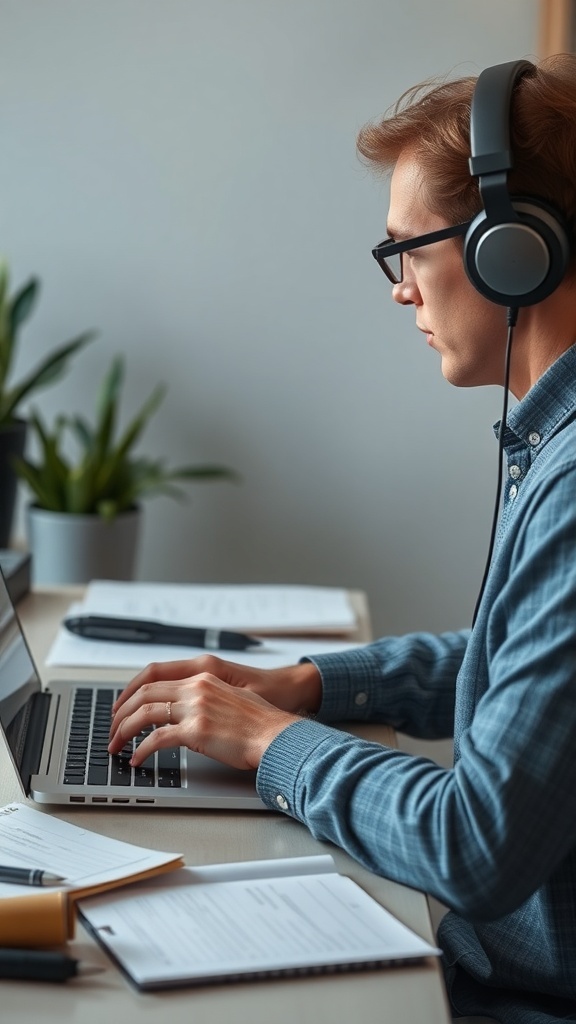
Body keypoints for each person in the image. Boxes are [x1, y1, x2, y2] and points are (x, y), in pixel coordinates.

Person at [109, 55, 576, 1023]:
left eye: (410, 250)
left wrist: (269, 740)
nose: (401, 290)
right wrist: (313, 685)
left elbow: (474, 845)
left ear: (513, 250)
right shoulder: (553, 441)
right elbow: (520, 667)